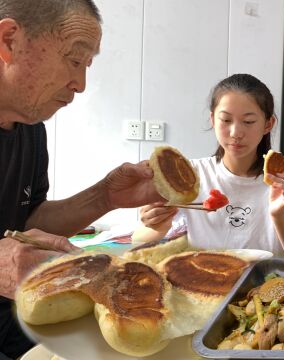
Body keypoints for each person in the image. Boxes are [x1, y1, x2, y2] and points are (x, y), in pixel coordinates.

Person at [0, 0, 165, 357]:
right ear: (9, 40)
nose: (80, 84)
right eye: (74, 60)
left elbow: (28, 220)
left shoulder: (31, 130)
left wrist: (105, 196)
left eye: (87, 66)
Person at [136, 74, 284, 258]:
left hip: (265, 283)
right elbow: (139, 239)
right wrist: (157, 224)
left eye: (249, 122)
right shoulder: (191, 175)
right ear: (213, 120)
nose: (236, 133)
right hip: (202, 279)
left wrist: (278, 213)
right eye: (226, 120)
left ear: (268, 124)